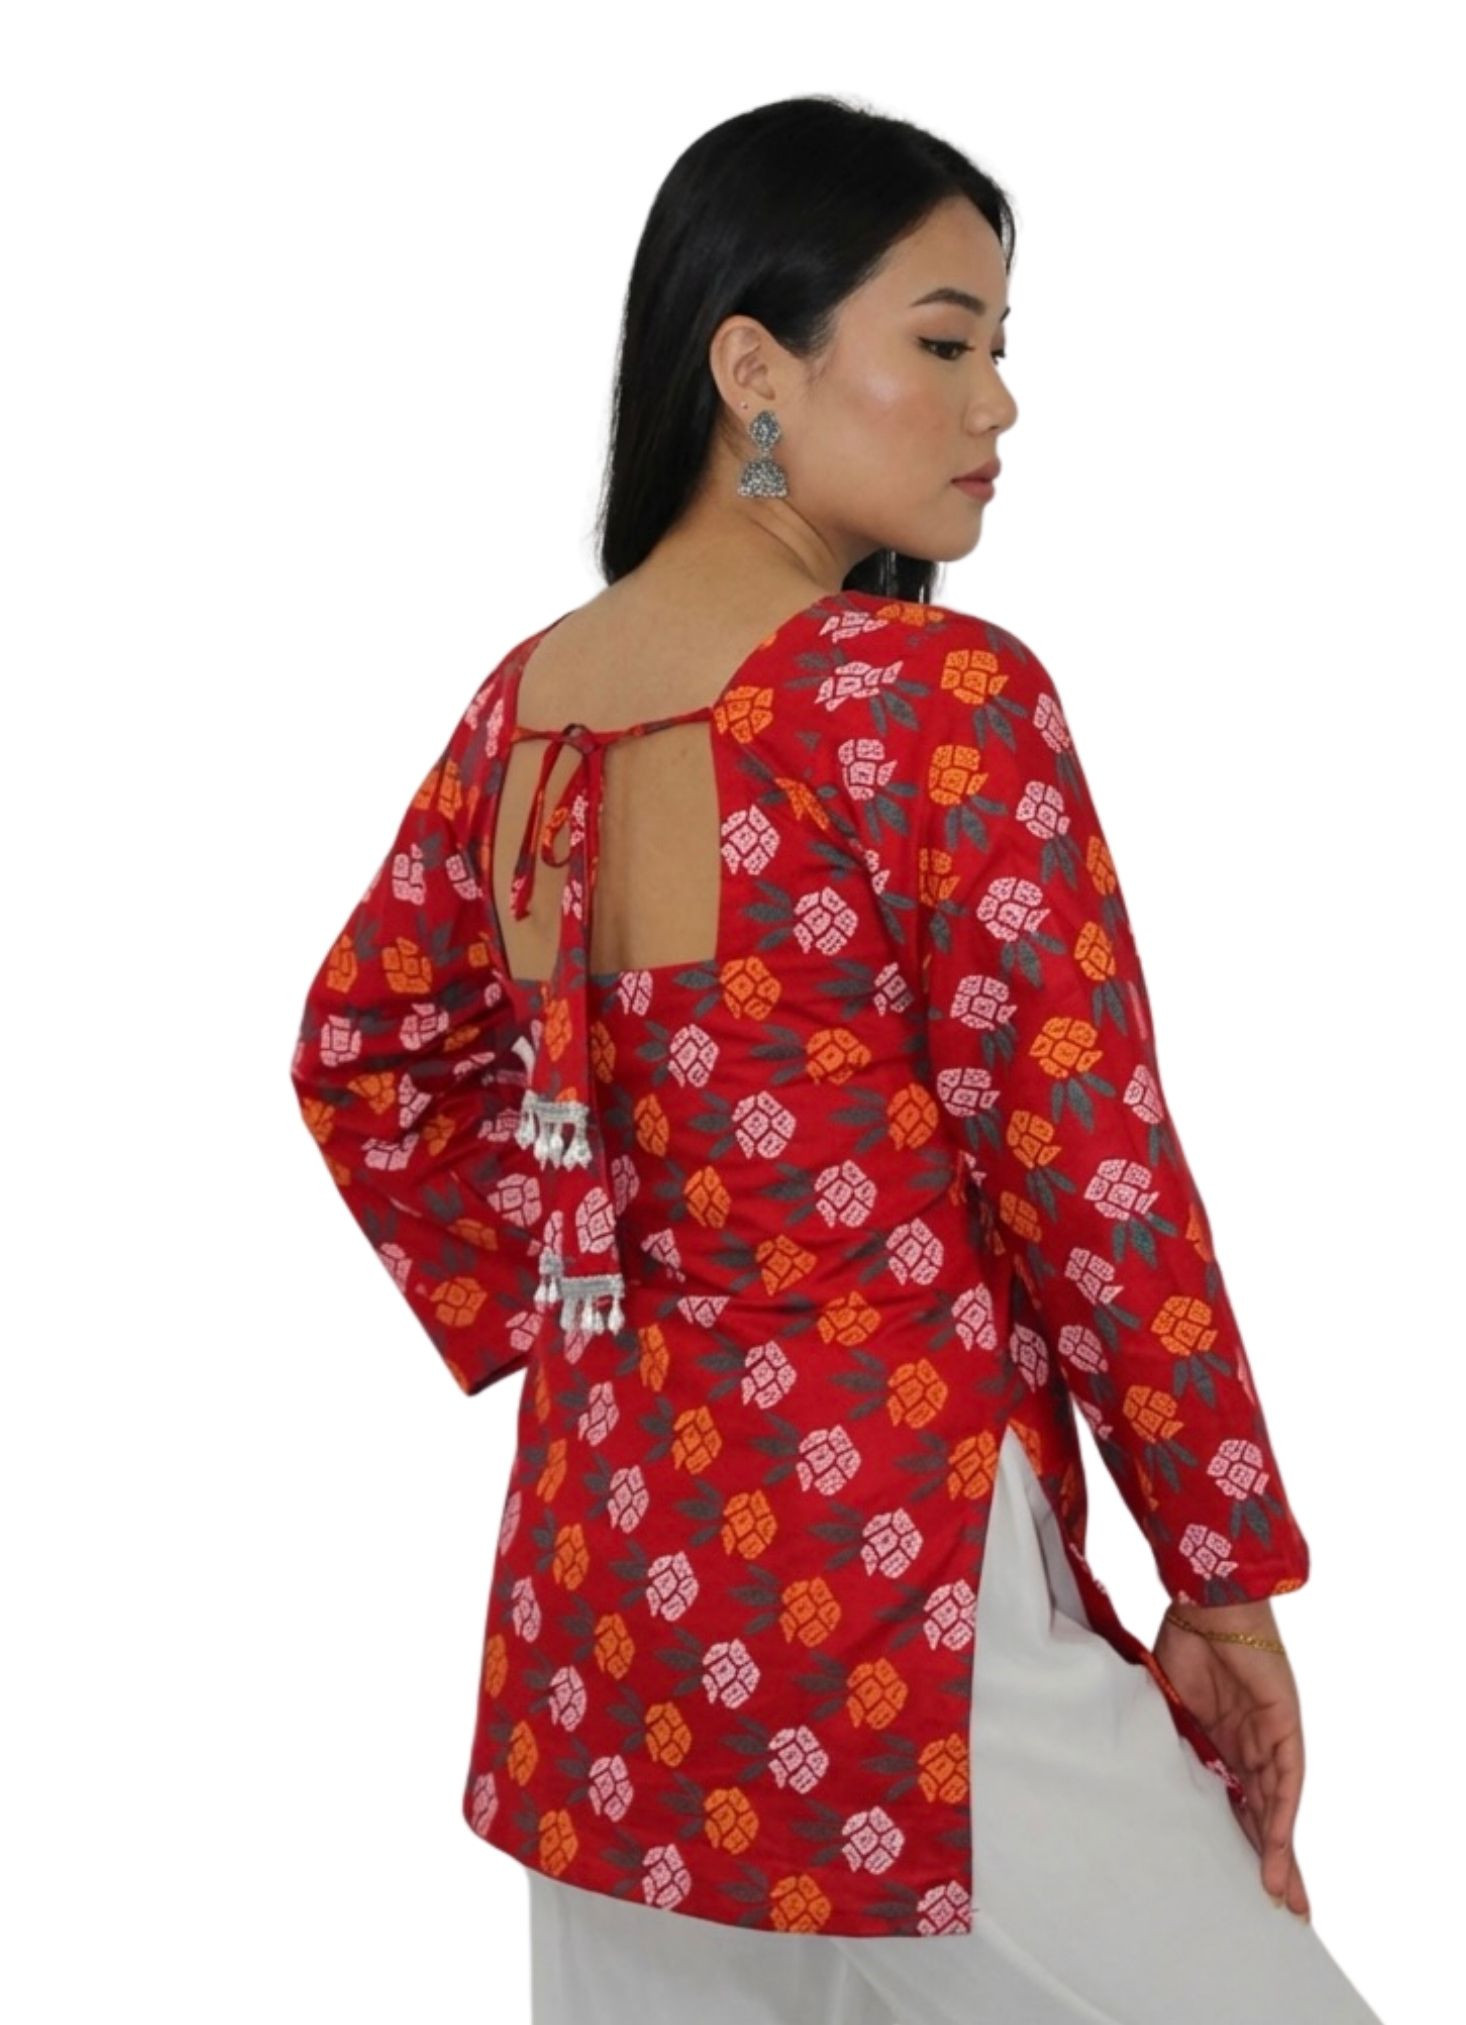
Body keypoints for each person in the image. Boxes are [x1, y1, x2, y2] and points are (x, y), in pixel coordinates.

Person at [289, 95, 1386, 2025]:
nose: (997, 405)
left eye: (1002, 349)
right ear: (753, 370)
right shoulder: (929, 704)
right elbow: (1096, 1183)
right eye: (945, 342)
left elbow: (365, 1056)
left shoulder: (526, 709)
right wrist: (1222, 1582)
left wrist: (598, 1295)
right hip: (899, 1594)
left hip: (604, 1602)